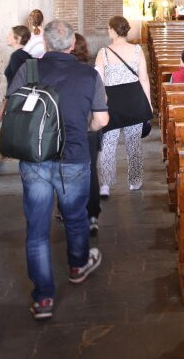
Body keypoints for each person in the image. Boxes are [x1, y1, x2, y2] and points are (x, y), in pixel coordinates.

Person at [6, 20, 108, 320]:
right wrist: (82, 129)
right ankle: (78, 265)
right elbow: (101, 120)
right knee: (75, 216)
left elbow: (12, 107)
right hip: (74, 156)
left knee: (37, 228)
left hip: (35, 157)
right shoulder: (88, 74)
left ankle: (43, 299)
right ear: (72, 44)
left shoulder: (29, 69)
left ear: (46, 44)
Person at [96, 16, 152, 196]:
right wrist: (148, 104)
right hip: (134, 99)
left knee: (108, 144)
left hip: (112, 101)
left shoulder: (103, 52)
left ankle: (105, 184)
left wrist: (100, 106)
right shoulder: (137, 50)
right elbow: (144, 79)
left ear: (112, 30)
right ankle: (135, 180)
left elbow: (100, 83)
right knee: (133, 143)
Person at [0, 25, 34, 174]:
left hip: (15, 99)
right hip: (24, 98)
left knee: (6, 130)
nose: (7, 37)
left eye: (10, 35)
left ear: (17, 39)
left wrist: (5, 102)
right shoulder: (26, 56)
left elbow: (15, 82)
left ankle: (0, 162)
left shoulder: (16, 57)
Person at [73, 33, 102, 237]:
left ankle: (70, 211)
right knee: (90, 170)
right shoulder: (91, 73)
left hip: (64, 129)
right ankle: (92, 215)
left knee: (65, 169)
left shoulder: (56, 72)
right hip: (88, 129)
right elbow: (101, 109)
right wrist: (93, 126)